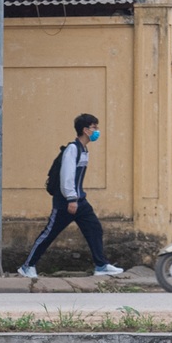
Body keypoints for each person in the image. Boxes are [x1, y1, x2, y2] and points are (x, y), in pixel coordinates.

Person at [18, 113, 124, 279]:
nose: (97, 131)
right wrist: (71, 199)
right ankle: (27, 266)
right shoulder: (72, 149)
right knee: (49, 234)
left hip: (79, 201)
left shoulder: (83, 149)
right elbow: (66, 176)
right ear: (85, 130)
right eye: (94, 128)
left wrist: (77, 198)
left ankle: (101, 265)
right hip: (67, 202)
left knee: (94, 228)